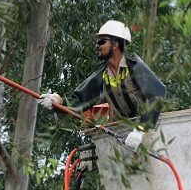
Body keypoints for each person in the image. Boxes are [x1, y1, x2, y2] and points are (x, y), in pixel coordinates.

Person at [39, 20, 166, 151]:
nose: (97, 46)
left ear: (115, 44)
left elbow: (158, 94)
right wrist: (58, 101)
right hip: (123, 138)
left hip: (152, 136)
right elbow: (79, 101)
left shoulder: (135, 67)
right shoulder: (102, 76)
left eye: (101, 42)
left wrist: (140, 129)